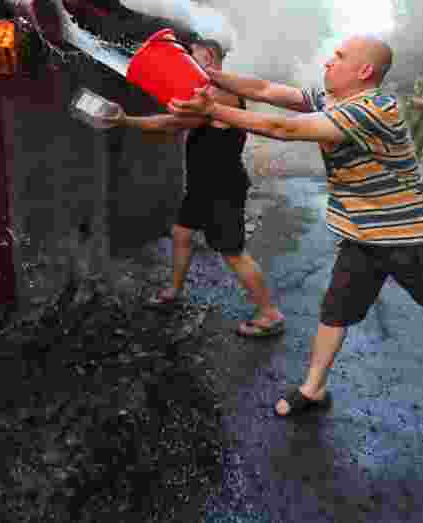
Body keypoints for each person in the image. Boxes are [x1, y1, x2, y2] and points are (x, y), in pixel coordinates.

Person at [168, 35, 423, 417]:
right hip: (360, 235)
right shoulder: (332, 99)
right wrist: (210, 74)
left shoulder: (374, 108)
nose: (329, 60)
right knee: (336, 309)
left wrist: (214, 108)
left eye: (340, 56)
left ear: (364, 71)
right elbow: (266, 90)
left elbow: (287, 130)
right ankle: (313, 389)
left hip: (411, 237)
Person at [100, 38, 286, 337]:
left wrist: (125, 120)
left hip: (222, 188)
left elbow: (171, 123)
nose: (185, 60)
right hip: (202, 186)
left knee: (232, 252)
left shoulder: (221, 94)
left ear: (209, 58)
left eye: (191, 55)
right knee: (182, 233)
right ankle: (173, 292)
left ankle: (270, 314)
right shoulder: (206, 92)